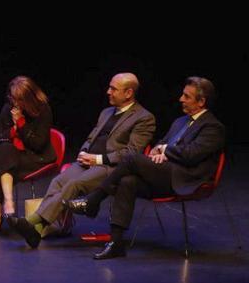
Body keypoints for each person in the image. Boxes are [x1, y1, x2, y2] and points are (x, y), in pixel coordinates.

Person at [68, 76, 225, 260]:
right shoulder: (180, 122)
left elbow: (191, 154)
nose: (180, 99)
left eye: (186, 96)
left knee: (131, 158)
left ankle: (93, 200)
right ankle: (116, 243)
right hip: (163, 172)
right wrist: (159, 149)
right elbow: (162, 143)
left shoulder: (213, 127)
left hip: (184, 177)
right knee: (128, 181)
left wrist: (165, 150)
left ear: (201, 101)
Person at [12, 72, 154, 248]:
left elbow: (132, 152)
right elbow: (91, 137)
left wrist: (99, 158)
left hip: (111, 168)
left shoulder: (144, 118)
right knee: (58, 181)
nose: (108, 92)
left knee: (74, 184)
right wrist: (84, 152)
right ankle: (37, 231)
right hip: (87, 161)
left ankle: (33, 221)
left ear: (128, 93)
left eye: (113, 89)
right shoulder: (106, 112)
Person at [0, 76, 54, 235]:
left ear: (29, 98)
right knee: (3, 151)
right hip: (11, 156)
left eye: (19, 100)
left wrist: (20, 123)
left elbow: (38, 144)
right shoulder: (8, 108)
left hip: (35, 157)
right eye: (12, 98)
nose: (14, 103)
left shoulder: (43, 110)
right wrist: (13, 130)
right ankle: (8, 200)